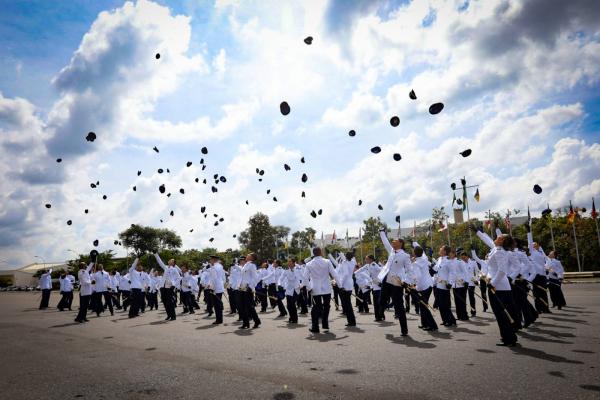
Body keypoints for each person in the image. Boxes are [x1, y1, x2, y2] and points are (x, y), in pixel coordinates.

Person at [472, 226, 518, 346]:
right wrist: (478, 232)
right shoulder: (497, 249)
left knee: (501, 314)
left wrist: (492, 283)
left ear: (502, 241)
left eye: (499, 237)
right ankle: (508, 336)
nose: (496, 237)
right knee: (502, 313)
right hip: (501, 286)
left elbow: (502, 270)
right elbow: (488, 240)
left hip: (498, 287)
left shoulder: (499, 252)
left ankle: (509, 338)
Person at [377, 229, 411, 336]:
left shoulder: (405, 256)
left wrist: (406, 281)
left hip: (397, 282)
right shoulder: (391, 251)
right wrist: (382, 232)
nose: (393, 242)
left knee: (399, 306)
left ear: (400, 243)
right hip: (387, 280)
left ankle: (404, 330)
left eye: (395, 241)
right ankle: (385, 307)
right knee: (381, 301)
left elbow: (409, 270)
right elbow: (385, 242)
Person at [304, 248, 338, 334]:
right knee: (327, 306)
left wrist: (309, 288)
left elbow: (305, 278)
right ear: (321, 252)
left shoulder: (309, 264)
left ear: (313, 253)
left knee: (316, 308)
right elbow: (334, 274)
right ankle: (325, 323)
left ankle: (315, 327)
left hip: (315, 289)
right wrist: (340, 285)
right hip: (326, 288)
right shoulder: (327, 261)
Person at [411, 246, 437, 331]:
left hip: (422, 286)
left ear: (415, 253)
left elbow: (417, 276)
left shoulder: (416, 263)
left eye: (413, 251)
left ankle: (432, 325)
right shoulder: (424, 260)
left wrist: (414, 285)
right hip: (428, 285)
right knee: (422, 305)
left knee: (424, 306)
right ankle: (424, 324)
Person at [527, 225, 551, 313]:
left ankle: (546, 308)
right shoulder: (532, 252)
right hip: (536, 276)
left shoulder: (541, 253)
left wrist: (547, 268)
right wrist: (529, 232)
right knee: (536, 293)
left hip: (543, 275)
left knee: (543, 292)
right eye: (533, 245)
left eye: (536, 245)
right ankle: (538, 309)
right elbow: (530, 242)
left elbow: (547, 261)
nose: (534, 246)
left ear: (538, 246)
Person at [329, 252, 356, 327]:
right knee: (348, 304)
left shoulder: (344, 263)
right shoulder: (353, 262)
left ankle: (351, 321)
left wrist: (340, 284)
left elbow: (345, 274)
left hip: (345, 285)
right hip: (350, 284)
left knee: (347, 304)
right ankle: (352, 321)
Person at [153, 252, 181, 321]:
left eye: (172, 260)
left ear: (173, 263)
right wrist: (155, 254)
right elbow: (159, 261)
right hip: (163, 287)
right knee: (165, 302)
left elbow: (179, 278)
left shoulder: (174, 269)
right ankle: (168, 315)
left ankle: (173, 316)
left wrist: (174, 285)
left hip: (169, 287)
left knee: (170, 302)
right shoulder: (165, 267)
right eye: (170, 260)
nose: (170, 260)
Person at [434, 245, 457, 327]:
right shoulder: (440, 259)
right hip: (438, 284)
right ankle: (445, 319)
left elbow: (453, 273)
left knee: (445, 305)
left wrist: (450, 283)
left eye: (441, 248)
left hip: (445, 285)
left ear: (444, 251)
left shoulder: (449, 261)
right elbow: (435, 268)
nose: (439, 249)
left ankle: (450, 320)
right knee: (440, 304)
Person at [239, 253, 261, 329]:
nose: (246, 256)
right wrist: (239, 285)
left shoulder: (252, 266)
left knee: (249, 307)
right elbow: (242, 278)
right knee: (242, 306)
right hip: (242, 288)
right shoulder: (245, 265)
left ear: (251, 258)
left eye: (248, 255)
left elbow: (256, 278)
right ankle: (246, 323)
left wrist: (251, 287)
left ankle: (257, 321)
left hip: (248, 289)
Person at [278, 258, 301, 324]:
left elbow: (303, 277)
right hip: (288, 289)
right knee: (288, 305)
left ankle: (295, 319)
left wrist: (302, 285)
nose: (288, 263)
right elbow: (281, 278)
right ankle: (291, 317)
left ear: (294, 263)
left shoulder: (298, 270)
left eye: (290, 261)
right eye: (288, 261)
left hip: (295, 289)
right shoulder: (286, 271)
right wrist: (279, 284)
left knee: (292, 304)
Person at [208, 255, 226, 324]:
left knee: (216, 305)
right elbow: (223, 277)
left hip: (215, 288)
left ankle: (219, 320)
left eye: (211, 259)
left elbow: (214, 279)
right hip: (219, 287)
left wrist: (212, 288)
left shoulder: (214, 267)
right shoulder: (220, 266)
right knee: (218, 304)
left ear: (214, 260)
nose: (210, 261)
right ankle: (219, 319)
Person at [366, 255, 383, 321]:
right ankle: (380, 316)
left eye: (367, 259)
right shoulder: (370, 265)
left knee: (377, 304)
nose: (366, 260)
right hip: (375, 287)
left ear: (371, 259)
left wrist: (379, 281)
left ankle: (379, 317)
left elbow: (381, 270)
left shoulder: (373, 265)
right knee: (376, 303)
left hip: (378, 287)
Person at [460, 251, 478, 317]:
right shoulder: (461, 263)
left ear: (467, 256)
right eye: (462, 258)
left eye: (464, 258)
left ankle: (473, 311)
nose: (463, 259)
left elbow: (477, 272)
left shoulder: (473, 262)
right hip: (464, 283)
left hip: (471, 282)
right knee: (463, 298)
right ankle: (464, 313)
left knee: (471, 297)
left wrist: (476, 280)